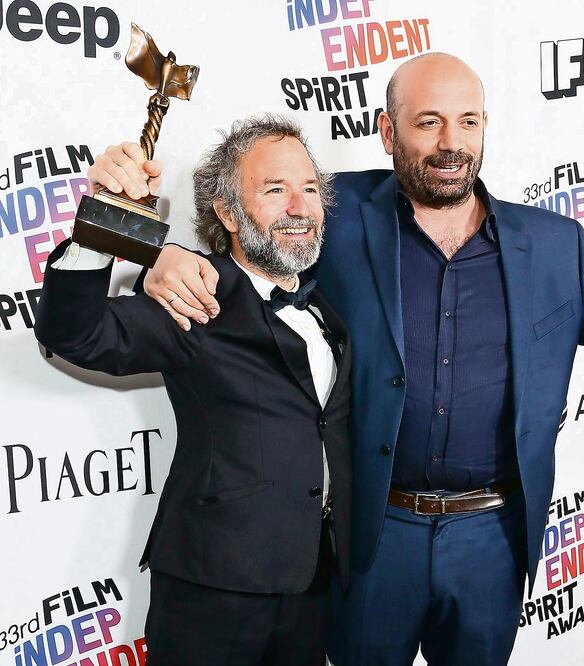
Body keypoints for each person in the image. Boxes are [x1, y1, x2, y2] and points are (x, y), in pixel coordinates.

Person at [90, 54, 584, 666]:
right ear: (389, 134)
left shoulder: (552, 243)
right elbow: (257, 245)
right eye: (427, 122)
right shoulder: (337, 211)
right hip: (371, 535)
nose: (450, 142)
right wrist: (165, 256)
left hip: (493, 538)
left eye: (467, 121)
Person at [34, 115, 352, 666]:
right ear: (227, 212)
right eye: (274, 190)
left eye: (308, 188)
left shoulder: (330, 307)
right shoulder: (197, 295)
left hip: (312, 586)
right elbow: (75, 333)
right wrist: (107, 222)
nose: (299, 206)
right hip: (213, 588)